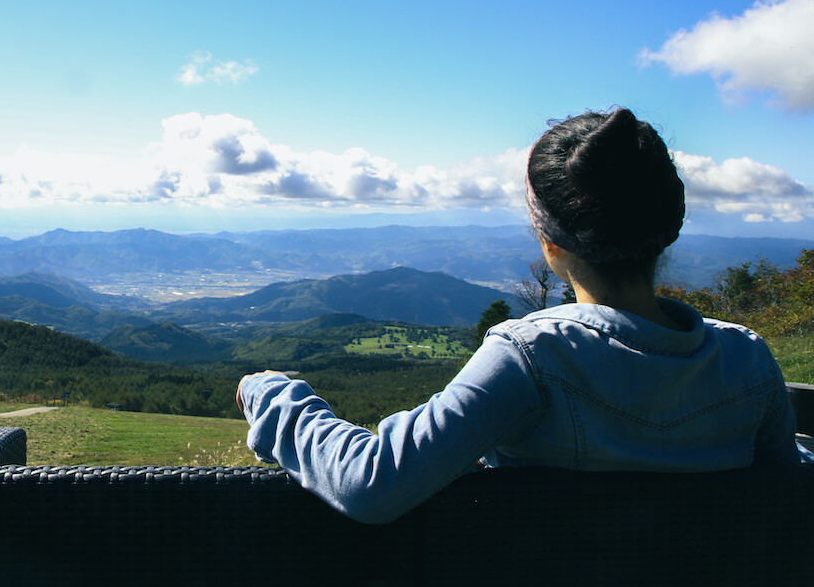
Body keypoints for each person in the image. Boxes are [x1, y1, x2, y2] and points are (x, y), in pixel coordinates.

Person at [237, 107, 812, 524]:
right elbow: (785, 493)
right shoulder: (748, 360)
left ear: (551, 244)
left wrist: (275, 396)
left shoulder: (533, 358)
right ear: (668, 230)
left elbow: (372, 483)